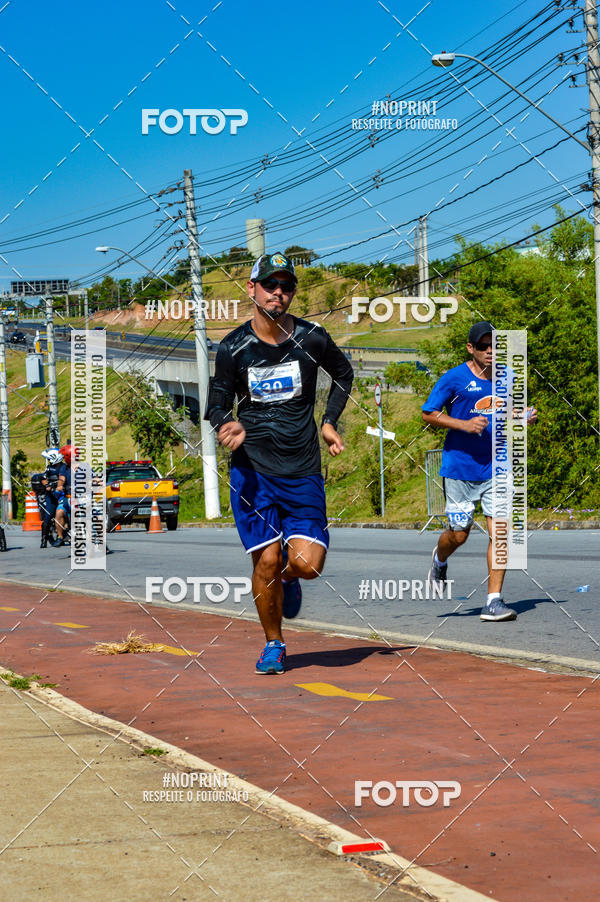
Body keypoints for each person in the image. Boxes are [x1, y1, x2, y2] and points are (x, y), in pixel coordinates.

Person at [205, 251, 353, 674]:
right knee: (266, 560)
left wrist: (328, 421)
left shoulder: (312, 338)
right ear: (252, 289)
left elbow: (343, 374)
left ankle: (288, 581)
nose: (279, 293)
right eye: (271, 285)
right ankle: (274, 643)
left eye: (287, 286)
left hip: (302, 468)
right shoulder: (234, 347)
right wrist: (226, 421)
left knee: (306, 565)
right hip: (253, 473)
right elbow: (216, 399)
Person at [421, 321, 537, 622]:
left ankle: (493, 601)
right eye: (483, 346)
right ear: (471, 348)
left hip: (497, 465)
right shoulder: (454, 378)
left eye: (495, 345)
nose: (490, 351)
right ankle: (439, 557)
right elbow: (428, 412)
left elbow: (502, 410)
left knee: (501, 532)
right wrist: (464, 424)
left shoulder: (507, 377)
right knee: (459, 535)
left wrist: (521, 417)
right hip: (460, 468)